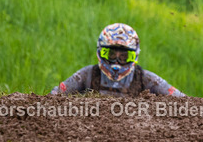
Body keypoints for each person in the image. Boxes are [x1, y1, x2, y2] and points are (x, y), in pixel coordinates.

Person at [51, 23, 184, 97]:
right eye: (111, 55)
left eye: (124, 57)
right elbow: (55, 95)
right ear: (100, 52)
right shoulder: (88, 75)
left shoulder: (145, 79)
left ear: (134, 57)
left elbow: (183, 100)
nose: (116, 63)